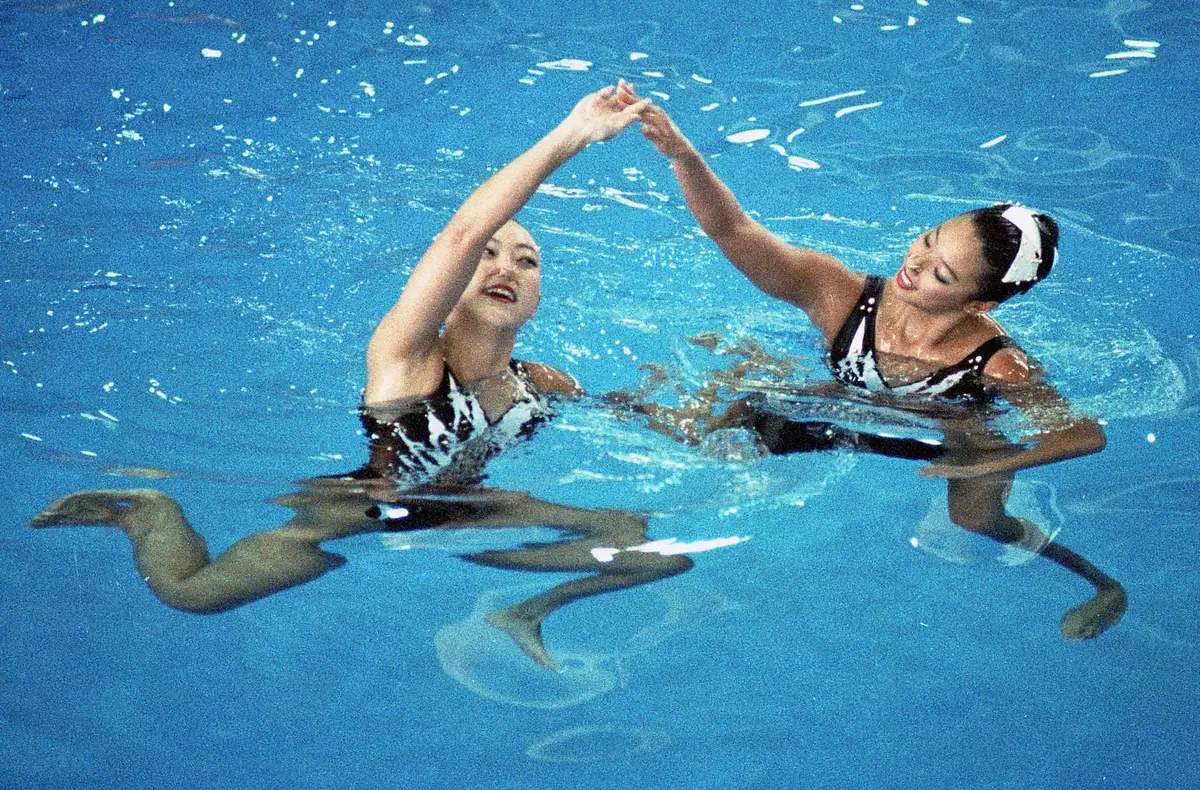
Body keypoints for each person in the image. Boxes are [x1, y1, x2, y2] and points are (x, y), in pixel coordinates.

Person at [28, 86, 691, 672]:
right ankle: (146, 510)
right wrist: (572, 135)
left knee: (651, 552)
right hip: (366, 506)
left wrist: (692, 409)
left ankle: (525, 612)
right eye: (490, 254)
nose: (506, 268)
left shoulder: (540, 382)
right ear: (452, 285)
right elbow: (461, 234)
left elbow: (636, 416)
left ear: (539, 297)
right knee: (191, 593)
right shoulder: (408, 357)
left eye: (528, 261)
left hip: (476, 511)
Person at [613, 81, 1126, 640]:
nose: (916, 264)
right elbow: (734, 230)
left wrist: (980, 468)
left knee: (974, 520)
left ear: (979, 304)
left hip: (950, 439)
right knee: (718, 420)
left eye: (941, 274)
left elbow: (1083, 435)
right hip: (850, 405)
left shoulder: (998, 363)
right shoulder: (838, 294)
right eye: (928, 240)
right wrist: (682, 155)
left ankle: (1102, 585)